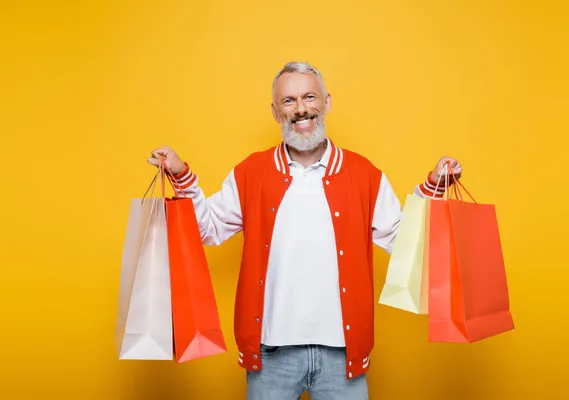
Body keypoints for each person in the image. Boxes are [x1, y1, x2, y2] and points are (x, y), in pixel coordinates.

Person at [147, 61, 462, 400]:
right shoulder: (252, 171)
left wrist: (432, 187)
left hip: (343, 356)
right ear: (275, 111)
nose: (301, 109)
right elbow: (207, 229)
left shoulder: (363, 173)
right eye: (289, 101)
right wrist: (182, 176)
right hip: (271, 356)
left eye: (309, 97)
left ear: (326, 102)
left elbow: (404, 244)